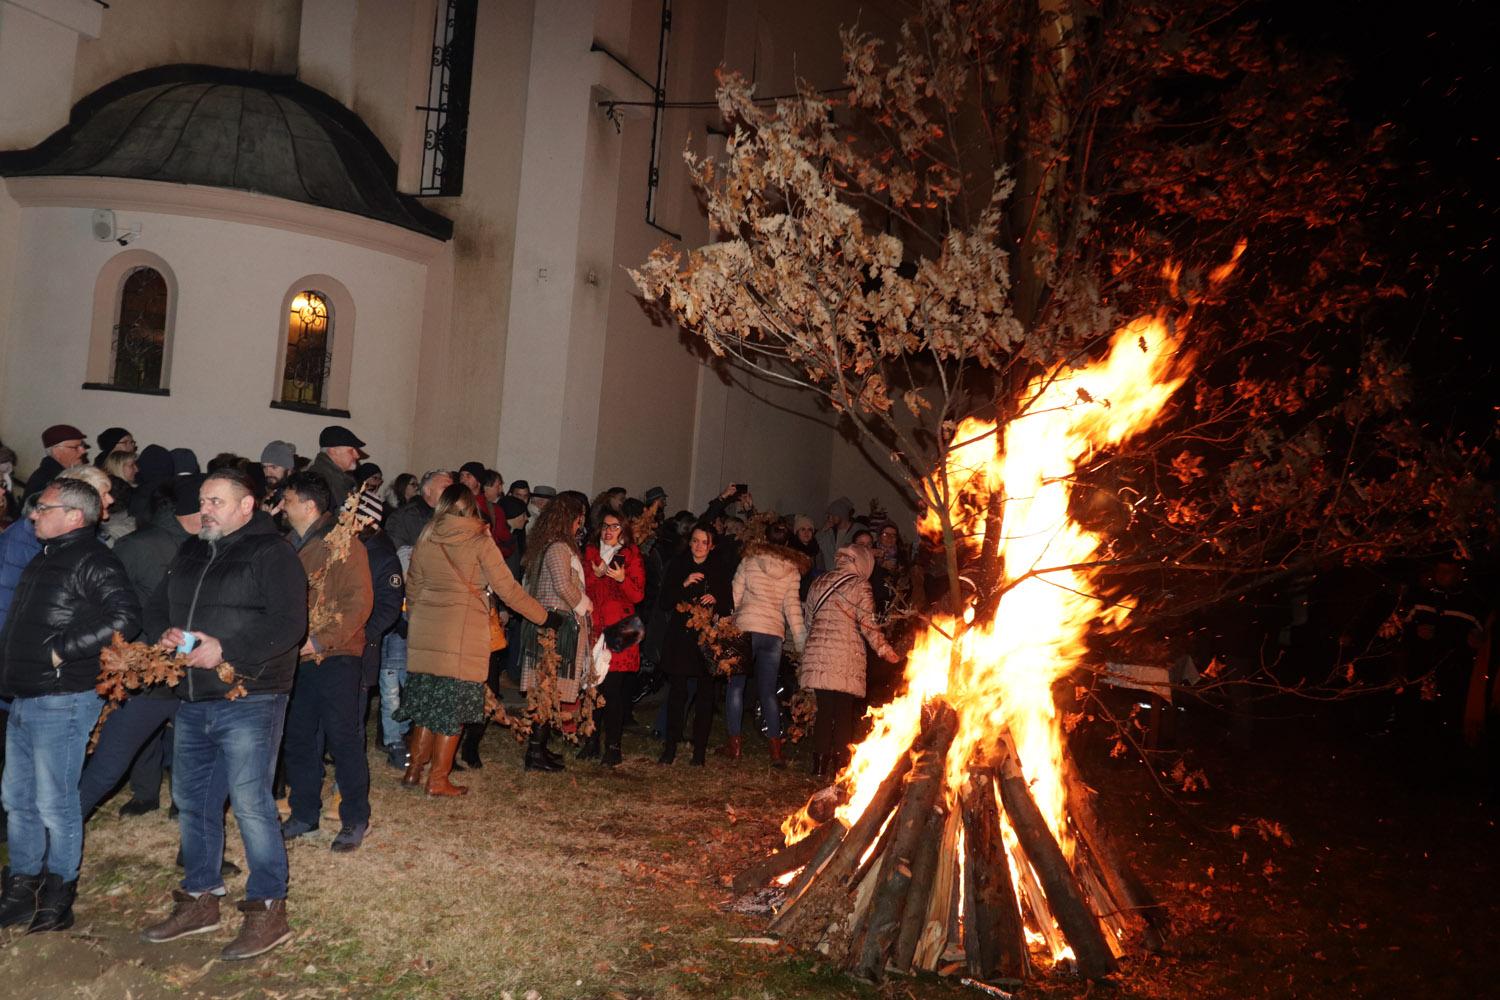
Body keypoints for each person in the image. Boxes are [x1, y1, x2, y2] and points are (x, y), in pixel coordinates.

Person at [138, 468, 307, 960]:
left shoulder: (273, 553)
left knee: (252, 804)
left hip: (249, 696)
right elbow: (155, 606)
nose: (205, 508)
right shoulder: (191, 549)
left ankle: (268, 909)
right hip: (192, 698)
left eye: (216, 501)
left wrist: (226, 648)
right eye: (203, 500)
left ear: (247, 506)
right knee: (192, 802)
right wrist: (164, 637)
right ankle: (200, 899)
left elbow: (289, 624)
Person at [0, 478, 141, 932]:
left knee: (54, 803)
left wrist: (61, 651)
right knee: (17, 800)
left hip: (61, 700)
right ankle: (23, 886)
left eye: (42, 508)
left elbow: (125, 617)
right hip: (26, 696)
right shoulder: (47, 556)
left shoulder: (93, 559)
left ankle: (59, 893)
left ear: (75, 516)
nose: (33, 515)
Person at [400, 484, 556, 794]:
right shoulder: (479, 538)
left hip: (426, 631)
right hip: (460, 634)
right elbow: (508, 589)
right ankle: (439, 780)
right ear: (471, 506)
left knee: (428, 705)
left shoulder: (427, 535)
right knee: (453, 709)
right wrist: (545, 617)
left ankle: (414, 771)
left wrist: (421, 619)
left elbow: (413, 588)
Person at [78, 476, 203, 820]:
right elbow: (114, 602)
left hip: (187, 661)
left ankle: (182, 804)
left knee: (184, 738)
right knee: (126, 745)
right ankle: (144, 794)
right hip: (147, 660)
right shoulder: (139, 545)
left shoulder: (201, 545)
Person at [278, 472, 373, 851]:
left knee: (343, 737)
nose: (282, 507)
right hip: (296, 658)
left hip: (336, 655)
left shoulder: (344, 544)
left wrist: (318, 640)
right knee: (298, 737)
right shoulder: (285, 545)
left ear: (309, 505)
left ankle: (355, 818)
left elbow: (358, 603)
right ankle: (304, 812)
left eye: (287, 500)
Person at [800, 545, 901, 777]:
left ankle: (818, 765)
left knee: (825, 711)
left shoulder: (820, 581)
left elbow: (809, 619)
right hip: (846, 655)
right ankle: (841, 764)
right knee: (843, 712)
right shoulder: (860, 585)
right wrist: (884, 649)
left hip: (819, 654)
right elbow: (868, 624)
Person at [518, 492, 592, 772]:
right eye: (579, 519)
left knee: (549, 690)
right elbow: (562, 585)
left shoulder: (548, 544)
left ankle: (539, 748)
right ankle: (534, 753)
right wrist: (584, 603)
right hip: (555, 627)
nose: (580, 526)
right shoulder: (559, 548)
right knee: (548, 689)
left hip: (550, 624)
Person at [726, 520, 808, 766]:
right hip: (773, 634)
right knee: (768, 691)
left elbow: (735, 594)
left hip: (747, 628)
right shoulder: (792, 569)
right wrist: (801, 640)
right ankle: (775, 750)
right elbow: (792, 607)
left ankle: (735, 746)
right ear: (786, 542)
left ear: (765, 537)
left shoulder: (750, 560)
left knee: (736, 686)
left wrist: (728, 621)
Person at [657, 526, 734, 765]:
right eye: (695, 541)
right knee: (677, 694)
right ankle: (670, 747)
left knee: (705, 697)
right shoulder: (678, 564)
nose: (698, 546)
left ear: (711, 545)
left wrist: (717, 599)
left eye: (704, 542)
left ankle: (698, 751)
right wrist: (684, 583)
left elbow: (728, 606)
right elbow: (664, 602)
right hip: (681, 638)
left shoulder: (719, 568)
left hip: (706, 640)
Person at [580, 508, 645, 766]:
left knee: (614, 690)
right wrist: (595, 577)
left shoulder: (631, 555)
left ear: (624, 530)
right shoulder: (591, 554)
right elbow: (584, 587)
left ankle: (614, 747)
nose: (609, 531)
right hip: (596, 628)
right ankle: (592, 741)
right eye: (606, 526)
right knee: (593, 687)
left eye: (615, 526)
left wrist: (622, 579)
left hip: (621, 629)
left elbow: (638, 595)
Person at [307, 426, 364, 512]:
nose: (357, 455)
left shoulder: (337, 477)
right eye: (351, 450)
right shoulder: (319, 479)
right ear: (333, 451)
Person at [23, 424, 89, 497]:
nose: (83, 451)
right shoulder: (49, 480)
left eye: (82, 446)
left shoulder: (63, 474)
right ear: (56, 452)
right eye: (76, 447)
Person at [815, 496, 856, 573]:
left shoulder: (856, 531)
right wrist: (823, 529)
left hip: (847, 575)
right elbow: (814, 544)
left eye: (833, 515)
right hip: (829, 575)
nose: (830, 518)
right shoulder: (828, 531)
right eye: (829, 515)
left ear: (842, 514)